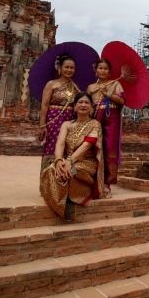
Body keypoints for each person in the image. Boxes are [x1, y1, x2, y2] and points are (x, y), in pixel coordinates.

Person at [40, 92, 105, 221]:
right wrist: (58, 161)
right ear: (74, 107)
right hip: (66, 161)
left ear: (91, 107)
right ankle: (60, 207)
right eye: (80, 102)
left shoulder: (95, 124)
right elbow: (60, 144)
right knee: (51, 171)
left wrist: (70, 161)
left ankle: (69, 203)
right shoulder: (67, 124)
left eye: (87, 102)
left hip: (86, 163)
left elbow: (86, 145)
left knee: (71, 172)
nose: (83, 105)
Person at [86, 58, 125, 196]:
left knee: (109, 149)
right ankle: (92, 180)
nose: (103, 71)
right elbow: (88, 104)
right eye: (100, 68)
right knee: (94, 147)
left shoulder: (115, 84)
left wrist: (108, 94)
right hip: (96, 117)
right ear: (96, 71)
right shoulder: (91, 87)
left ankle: (107, 183)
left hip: (111, 118)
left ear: (109, 72)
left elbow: (121, 101)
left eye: (106, 69)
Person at [38, 54, 80, 173]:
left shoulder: (75, 87)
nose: (69, 70)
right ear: (59, 68)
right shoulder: (51, 84)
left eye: (72, 68)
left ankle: (66, 182)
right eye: (66, 67)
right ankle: (48, 180)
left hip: (70, 121)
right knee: (52, 146)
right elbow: (44, 105)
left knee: (69, 148)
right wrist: (42, 125)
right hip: (53, 120)